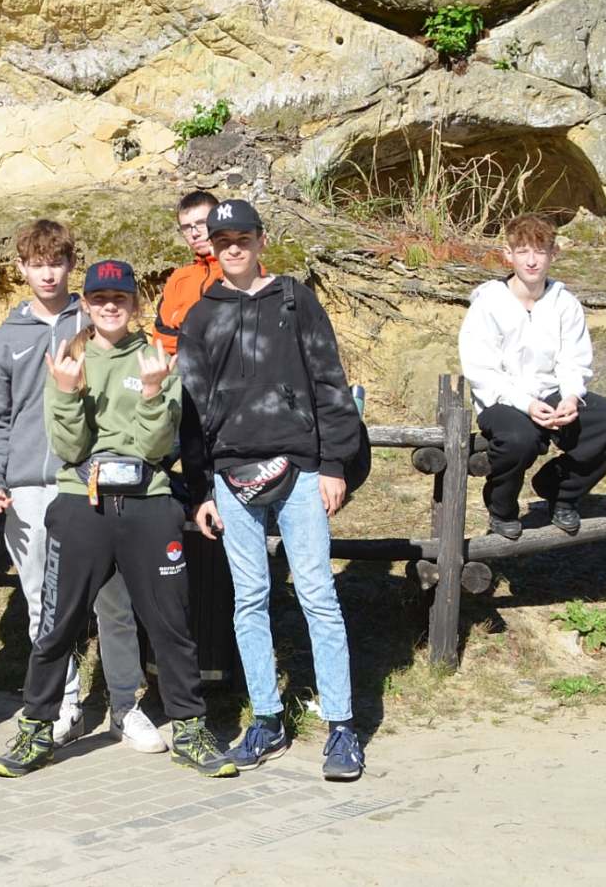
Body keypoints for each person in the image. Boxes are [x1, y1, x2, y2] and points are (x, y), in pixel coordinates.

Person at [0, 260, 235, 778]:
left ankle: (190, 729)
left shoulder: (155, 359)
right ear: (86, 304)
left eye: (119, 299)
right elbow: (69, 447)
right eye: (99, 298)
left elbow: (155, 447)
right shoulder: (69, 357)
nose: (109, 307)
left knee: (170, 624)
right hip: (83, 503)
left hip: (148, 504)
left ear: (134, 304)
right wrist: (67, 392)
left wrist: (152, 393)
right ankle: (36, 729)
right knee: (58, 623)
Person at [182, 199, 366, 782]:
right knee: (249, 599)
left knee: (317, 595)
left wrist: (334, 463)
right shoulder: (200, 316)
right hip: (229, 476)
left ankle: (342, 726)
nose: (233, 248)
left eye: (242, 238)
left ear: (261, 240)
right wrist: (200, 489)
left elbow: (329, 380)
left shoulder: (295, 299)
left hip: (302, 469)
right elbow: (191, 409)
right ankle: (266, 718)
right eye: (222, 240)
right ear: (210, 247)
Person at [0, 220, 153, 750]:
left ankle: (125, 706)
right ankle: (64, 704)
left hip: (93, 481)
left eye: (57, 262)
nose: (48, 273)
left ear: (72, 264)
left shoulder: (96, 320)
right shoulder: (6, 339)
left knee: (113, 601)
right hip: (29, 487)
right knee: (43, 603)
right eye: (37, 264)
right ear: (21, 269)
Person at [458, 214, 606, 539]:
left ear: (554, 254)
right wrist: (525, 404)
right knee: (519, 439)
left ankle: (560, 490)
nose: (532, 260)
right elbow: (482, 370)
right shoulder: (488, 304)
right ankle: (501, 507)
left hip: (551, 392)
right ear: (508, 254)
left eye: (540, 251)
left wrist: (571, 396)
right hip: (501, 399)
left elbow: (573, 359)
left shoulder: (564, 303)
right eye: (523, 251)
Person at [153, 190, 221, 357]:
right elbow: (160, 338)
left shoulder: (240, 270)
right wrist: (201, 344)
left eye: (202, 223)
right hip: (183, 368)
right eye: (186, 228)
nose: (194, 233)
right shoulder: (179, 278)